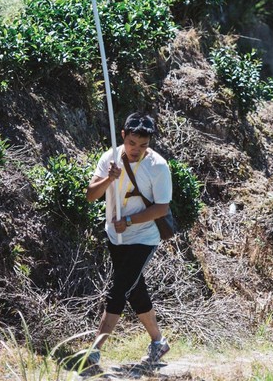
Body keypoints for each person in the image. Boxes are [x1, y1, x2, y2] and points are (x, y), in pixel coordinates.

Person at [83, 113, 173, 368]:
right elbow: (91, 195)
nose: (137, 150)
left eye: (143, 145)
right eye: (132, 143)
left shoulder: (157, 166)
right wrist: (109, 178)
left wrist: (131, 221)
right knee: (134, 290)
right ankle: (158, 342)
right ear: (123, 136)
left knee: (119, 289)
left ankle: (94, 351)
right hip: (115, 236)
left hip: (144, 238)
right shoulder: (109, 158)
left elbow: (162, 209)